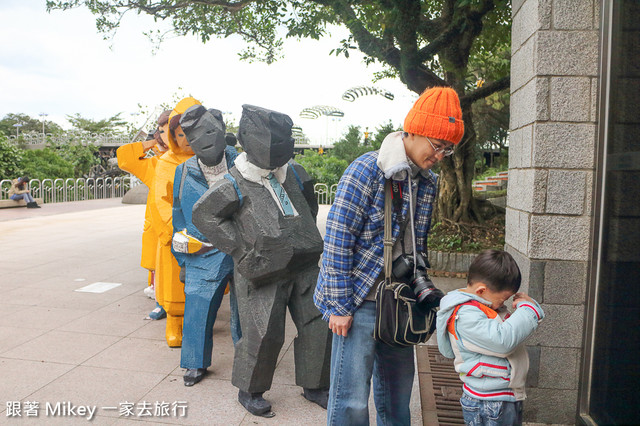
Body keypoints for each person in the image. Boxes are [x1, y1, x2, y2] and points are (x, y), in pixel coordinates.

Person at [314, 86, 465, 425]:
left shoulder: (427, 180)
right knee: (350, 398)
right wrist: (339, 307)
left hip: (400, 300)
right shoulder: (367, 169)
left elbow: (416, 243)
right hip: (358, 299)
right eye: (437, 145)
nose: (440, 155)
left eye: (448, 149)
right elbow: (338, 240)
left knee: (398, 396)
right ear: (412, 131)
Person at [192, 104, 331, 417]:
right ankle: (250, 388)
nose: (274, 150)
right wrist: (240, 249)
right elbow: (204, 214)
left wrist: (301, 233)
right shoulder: (234, 182)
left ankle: (315, 383)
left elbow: (310, 205)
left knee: (318, 324)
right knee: (264, 331)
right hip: (263, 270)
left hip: (305, 264)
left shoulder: (295, 172)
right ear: (244, 139)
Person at [171, 105, 241, 386]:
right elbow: (178, 214)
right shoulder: (183, 171)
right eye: (197, 137)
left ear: (223, 131)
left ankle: (249, 359)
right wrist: (184, 256)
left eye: (211, 131)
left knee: (247, 311)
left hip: (241, 247)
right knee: (198, 307)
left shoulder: (243, 163)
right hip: (203, 250)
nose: (206, 140)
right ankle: (195, 362)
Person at [436, 250, 545, 425]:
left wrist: (527, 308)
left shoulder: (482, 306)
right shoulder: (465, 315)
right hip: (488, 401)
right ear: (481, 290)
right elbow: (502, 341)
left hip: (498, 397)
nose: (503, 304)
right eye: (503, 300)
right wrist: (529, 310)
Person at [150, 96, 199, 347]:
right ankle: (173, 324)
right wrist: (176, 230)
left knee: (200, 285)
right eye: (181, 134)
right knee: (174, 283)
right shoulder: (167, 162)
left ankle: (199, 324)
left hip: (203, 233)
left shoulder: (209, 160)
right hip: (176, 233)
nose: (187, 140)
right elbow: (161, 199)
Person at [116, 112, 170, 317]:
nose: (166, 136)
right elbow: (124, 156)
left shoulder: (189, 160)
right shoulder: (154, 164)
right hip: (158, 224)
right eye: (162, 131)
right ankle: (161, 302)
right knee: (157, 263)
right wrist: (150, 144)